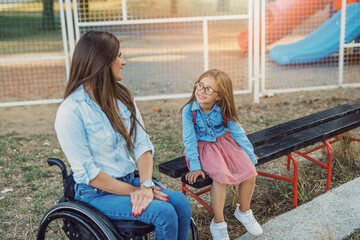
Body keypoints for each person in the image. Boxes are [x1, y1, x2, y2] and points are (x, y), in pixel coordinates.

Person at [54, 30, 192, 240]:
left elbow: (142, 145)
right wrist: (135, 192)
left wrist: (146, 186)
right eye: (118, 56)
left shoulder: (122, 97)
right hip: (97, 193)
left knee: (180, 203)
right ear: (101, 62)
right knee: (164, 213)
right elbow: (90, 175)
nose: (124, 61)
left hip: (130, 180)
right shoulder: (70, 111)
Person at [181, 69, 263, 239]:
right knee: (220, 175)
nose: (201, 91)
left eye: (208, 89)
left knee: (250, 171)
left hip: (225, 144)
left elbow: (238, 132)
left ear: (219, 95)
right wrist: (195, 166)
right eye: (200, 85)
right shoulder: (189, 111)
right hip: (204, 149)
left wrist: (249, 154)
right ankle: (218, 222)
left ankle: (244, 211)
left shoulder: (223, 108)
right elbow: (189, 141)